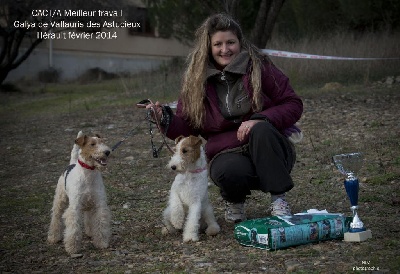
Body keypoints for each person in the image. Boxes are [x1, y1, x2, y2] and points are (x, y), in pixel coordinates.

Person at [140, 13, 303, 223]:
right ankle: (234, 201)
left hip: (268, 145)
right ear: (208, 46)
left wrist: (261, 118)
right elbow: (187, 126)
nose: (224, 49)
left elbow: (293, 103)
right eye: (218, 44)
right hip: (226, 151)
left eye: (230, 42)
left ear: (240, 42)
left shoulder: (259, 66)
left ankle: (279, 199)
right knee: (228, 171)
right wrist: (163, 117)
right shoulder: (195, 79)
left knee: (260, 129)